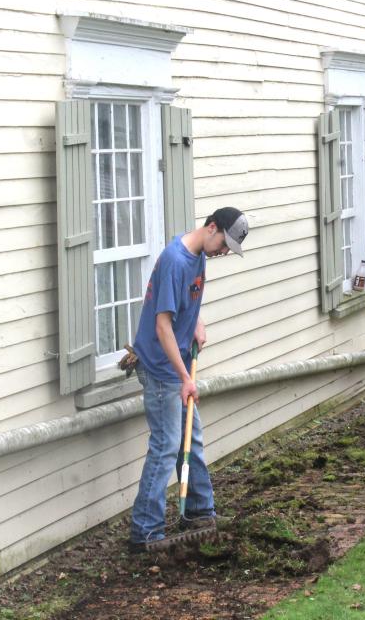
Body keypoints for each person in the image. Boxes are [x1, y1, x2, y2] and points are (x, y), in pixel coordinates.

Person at [128, 207, 249, 551]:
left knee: (191, 439)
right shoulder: (175, 260)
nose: (224, 252)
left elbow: (184, 302)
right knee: (166, 446)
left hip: (178, 363)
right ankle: (145, 532)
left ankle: (198, 511)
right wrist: (185, 378)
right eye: (224, 244)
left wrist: (195, 320)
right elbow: (162, 325)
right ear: (212, 227)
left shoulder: (197, 256)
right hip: (161, 367)